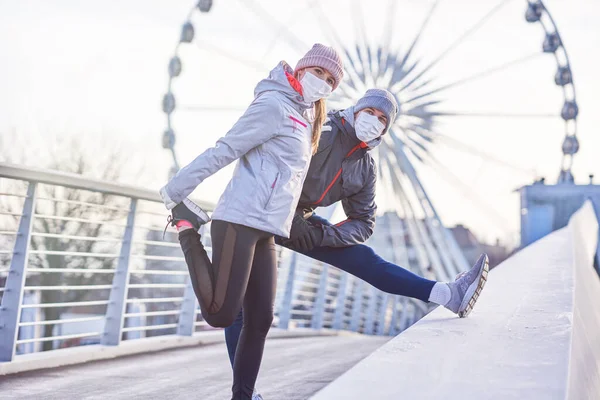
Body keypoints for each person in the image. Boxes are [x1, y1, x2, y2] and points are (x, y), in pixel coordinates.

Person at [223, 89, 489, 397]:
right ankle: (245, 394)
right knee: (242, 305)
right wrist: (290, 217)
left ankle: (448, 294)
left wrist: (322, 235)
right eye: (371, 113)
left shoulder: (365, 168)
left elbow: (364, 223)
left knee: (363, 258)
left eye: (382, 120)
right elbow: (274, 163)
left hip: (298, 222)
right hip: (256, 209)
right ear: (357, 108)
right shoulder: (319, 130)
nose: (374, 121)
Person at [159, 44, 344, 400]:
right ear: (303, 68)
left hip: (268, 228)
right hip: (239, 220)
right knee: (221, 315)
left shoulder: (308, 118)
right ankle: (185, 226)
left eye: (330, 80)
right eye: (318, 73)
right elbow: (226, 148)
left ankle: (243, 396)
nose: (322, 82)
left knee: (260, 320)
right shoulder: (274, 105)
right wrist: (176, 189)